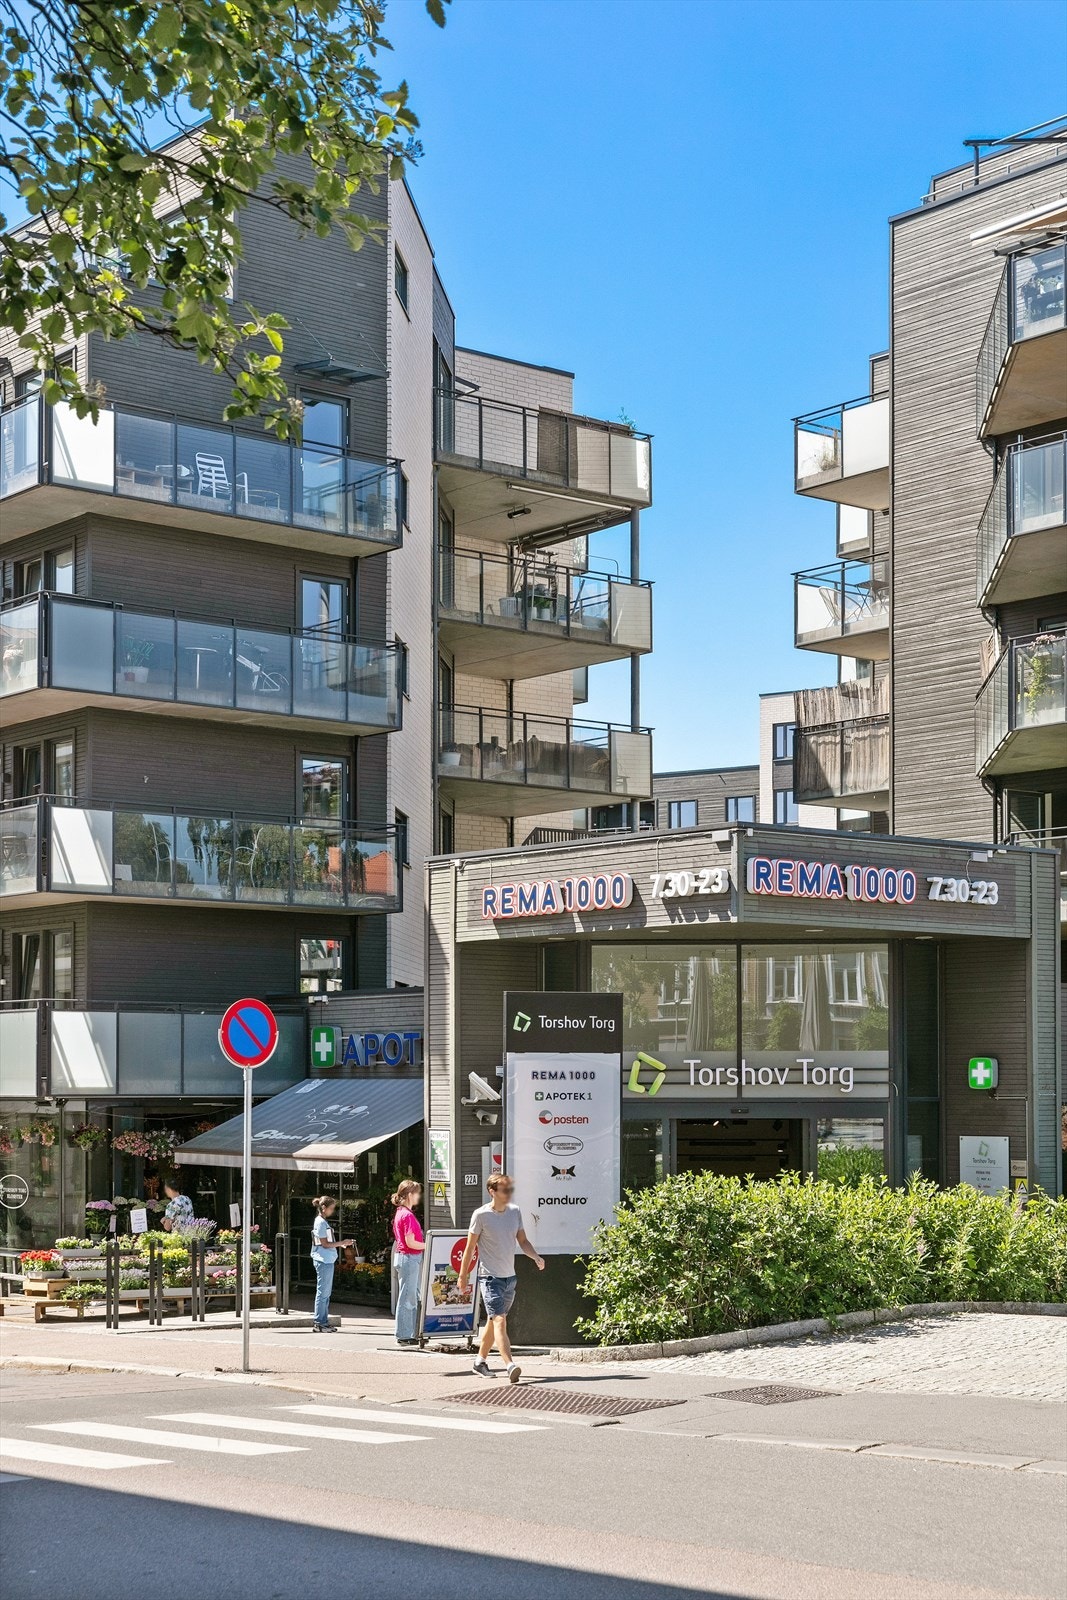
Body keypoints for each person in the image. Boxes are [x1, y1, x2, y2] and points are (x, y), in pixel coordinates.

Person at [457, 1171, 544, 1383]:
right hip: (489, 1278)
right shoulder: (480, 1215)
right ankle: (510, 1365)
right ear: (492, 1191)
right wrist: (463, 1276)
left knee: (492, 1322)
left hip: (509, 1278)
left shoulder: (515, 1212)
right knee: (499, 1320)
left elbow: (522, 1241)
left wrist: (536, 1257)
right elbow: (469, 1249)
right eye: (504, 1189)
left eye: (510, 1189)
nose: (509, 1193)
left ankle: (479, 1362)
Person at [309, 1195, 353, 1333]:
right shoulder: (321, 1223)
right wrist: (342, 1243)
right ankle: (320, 1322)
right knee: (323, 1292)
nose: (332, 1211)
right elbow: (325, 1243)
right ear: (324, 1208)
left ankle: (323, 1321)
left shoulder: (321, 1221)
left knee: (325, 1293)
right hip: (323, 1260)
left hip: (326, 1259)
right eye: (331, 1208)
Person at [391, 1179, 425, 1346]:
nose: (419, 1196)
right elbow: (411, 1242)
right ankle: (404, 1334)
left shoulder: (400, 1213)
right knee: (408, 1296)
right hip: (409, 1257)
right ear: (410, 1195)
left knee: (409, 1295)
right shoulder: (408, 1215)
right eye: (417, 1193)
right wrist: (430, 1245)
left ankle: (408, 1332)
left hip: (405, 1257)